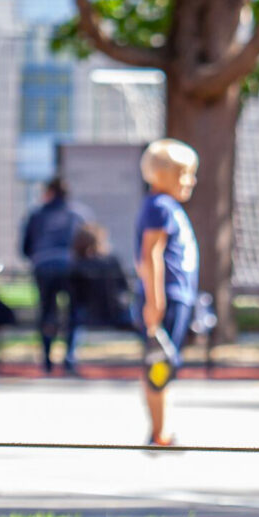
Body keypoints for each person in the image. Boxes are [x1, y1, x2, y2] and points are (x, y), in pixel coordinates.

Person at [135, 138, 200, 447]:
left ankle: (162, 428)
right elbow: (150, 254)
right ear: (162, 176)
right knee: (158, 362)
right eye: (184, 174)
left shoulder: (168, 207)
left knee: (165, 362)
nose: (191, 181)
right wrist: (155, 300)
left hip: (177, 295)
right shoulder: (160, 207)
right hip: (167, 297)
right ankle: (159, 431)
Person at [20, 177, 87, 374]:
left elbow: (25, 247)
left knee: (47, 313)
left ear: (49, 192)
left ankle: (47, 359)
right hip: (71, 268)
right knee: (74, 312)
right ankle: (69, 357)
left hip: (43, 267)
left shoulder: (37, 215)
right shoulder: (78, 215)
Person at [67, 222, 131, 335]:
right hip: (116, 313)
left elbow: (74, 297)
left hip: (87, 316)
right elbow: (124, 286)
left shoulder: (77, 265)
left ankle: (70, 351)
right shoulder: (112, 261)